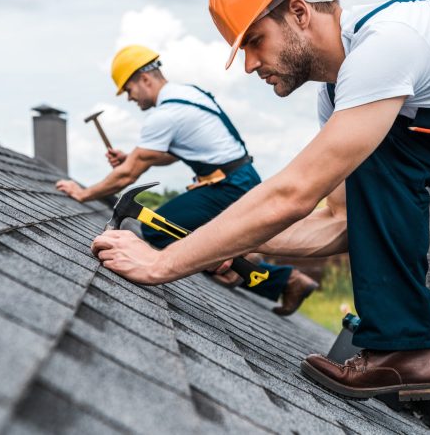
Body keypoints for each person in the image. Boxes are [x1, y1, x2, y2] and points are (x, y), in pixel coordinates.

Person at [91, 0, 430, 400]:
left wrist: (162, 262)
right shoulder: (341, 96)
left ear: (300, 12)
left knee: (378, 146)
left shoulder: (387, 46)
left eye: (254, 41)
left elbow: (295, 193)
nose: (248, 65)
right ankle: (408, 353)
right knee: (374, 150)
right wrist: (217, 243)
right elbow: (340, 221)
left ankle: (406, 351)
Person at [57, 44, 318, 314]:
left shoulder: (166, 114)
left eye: (128, 90)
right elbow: (168, 155)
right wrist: (131, 157)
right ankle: (267, 273)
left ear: (144, 79)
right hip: (237, 179)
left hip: (227, 186)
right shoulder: (188, 95)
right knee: (193, 235)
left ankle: (273, 276)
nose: (129, 98)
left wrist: (83, 193)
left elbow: (129, 174)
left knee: (155, 229)